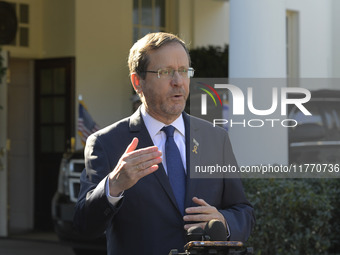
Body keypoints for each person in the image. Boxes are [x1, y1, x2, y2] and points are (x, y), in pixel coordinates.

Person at [74, 32, 255, 255]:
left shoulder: (216, 138)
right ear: (137, 82)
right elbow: (84, 226)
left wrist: (224, 221)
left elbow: (243, 211)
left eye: (183, 71)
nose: (178, 82)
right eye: (165, 72)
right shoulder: (106, 143)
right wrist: (114, 185)